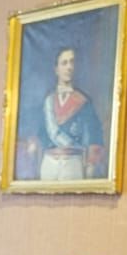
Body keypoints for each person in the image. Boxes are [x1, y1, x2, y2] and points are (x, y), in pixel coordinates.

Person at [35, 47, 106, 181]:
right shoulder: (47, 100)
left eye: (72, 62)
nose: (69, 67)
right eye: (64, 63)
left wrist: (91, 163)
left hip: (73, 162)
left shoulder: (84, 101)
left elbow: (95, 133)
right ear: (56, 69)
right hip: (49, 162)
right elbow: (40, 132)